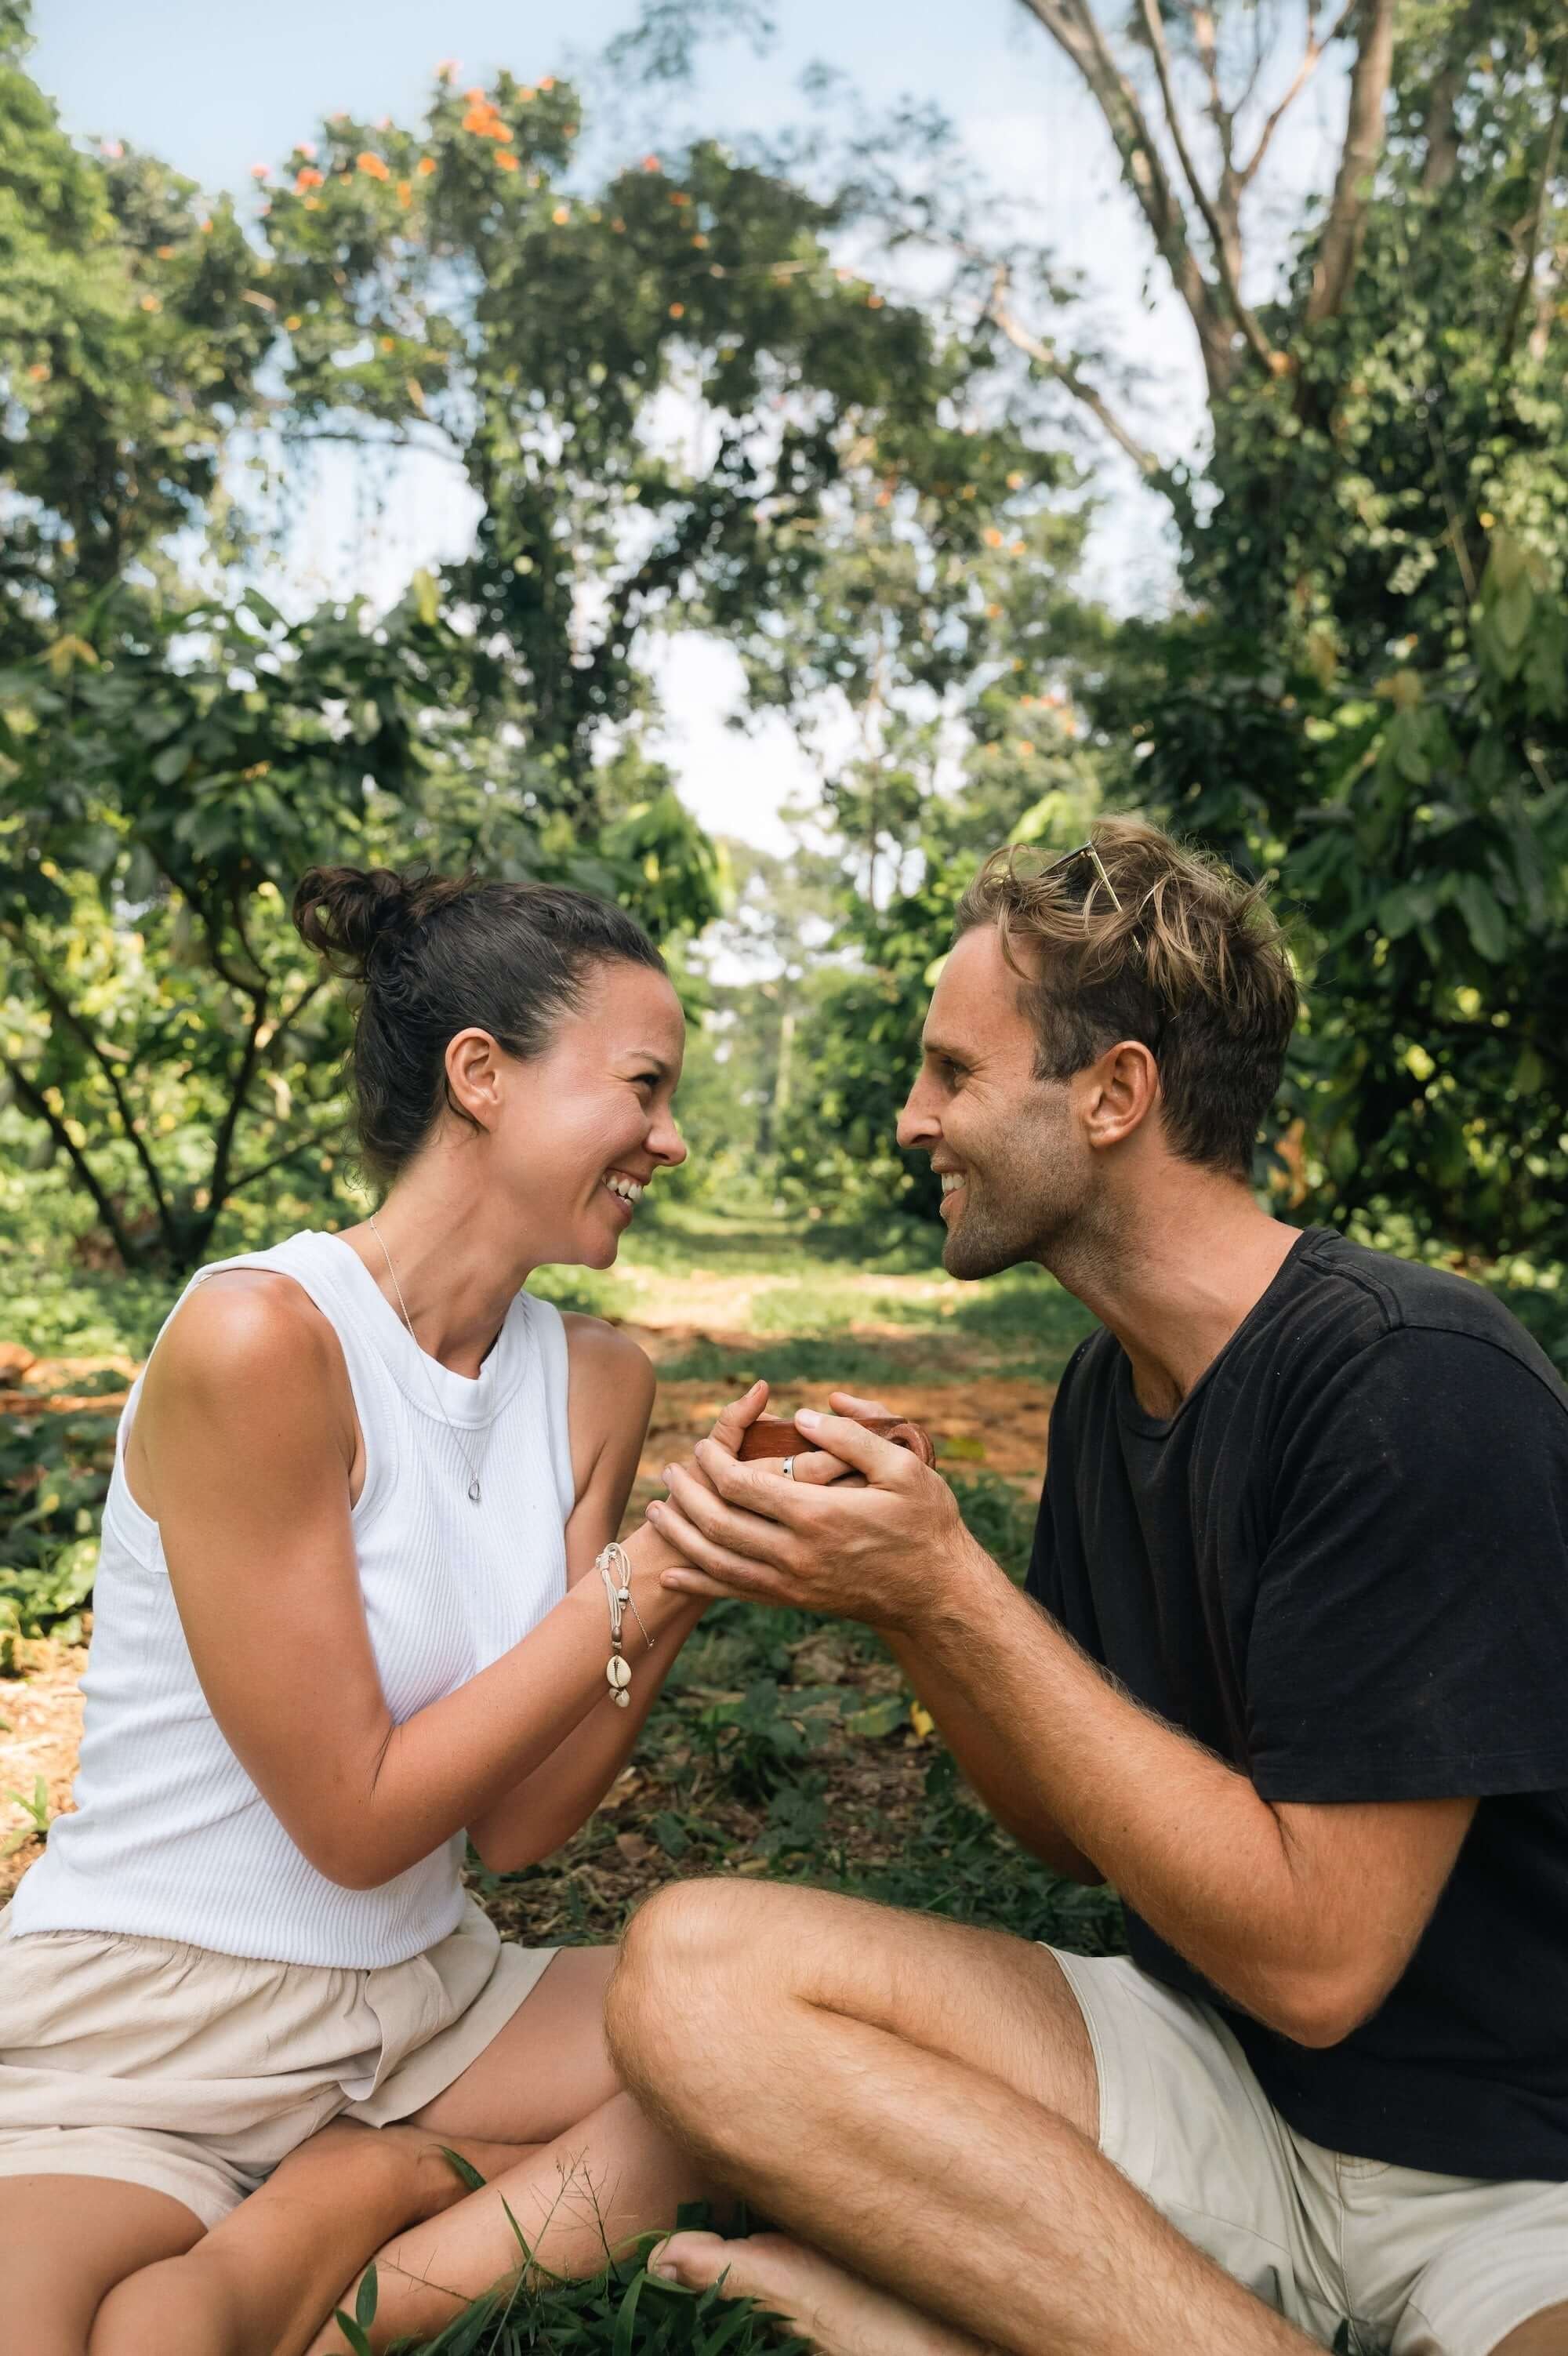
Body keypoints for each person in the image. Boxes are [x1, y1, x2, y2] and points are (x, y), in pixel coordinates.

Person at [611, 819, 1568, 2356]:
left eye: (952, 1073)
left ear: (1115, 1093)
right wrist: (908, 1605)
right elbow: (1070, 1837)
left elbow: (1319, 1966)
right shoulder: (1101, 1388)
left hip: (1506, 2180)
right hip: (1224, 2079)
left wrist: (950, 1595)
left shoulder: (1410, 1382)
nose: (914, 1120)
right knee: (690, 1978)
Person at [0, 864, 736, 2356]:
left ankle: (343, 2219)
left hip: (432, 2001)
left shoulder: (596, 1383)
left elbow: (520, 1827)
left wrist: (688, 1575)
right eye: (643, 1086)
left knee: (776, 2083)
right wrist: (640, 1578)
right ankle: (377, 2186)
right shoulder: (262, 1338)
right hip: (158, 2017)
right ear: (482, 1073)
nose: (668, 1137)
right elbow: (354, 1817)